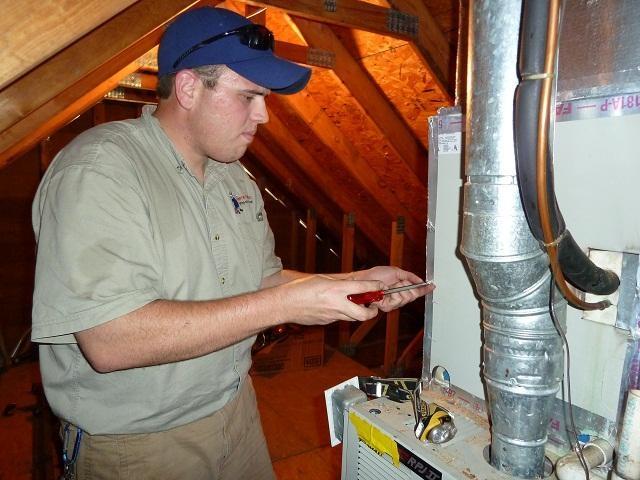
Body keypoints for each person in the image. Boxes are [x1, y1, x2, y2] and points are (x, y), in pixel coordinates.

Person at [31, 6, 431, 480]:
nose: (263, 115)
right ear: (188, 88)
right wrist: (287, 302)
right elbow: (110, 341)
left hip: (236, 413)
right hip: (138, 445)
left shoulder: (232, 178)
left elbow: (262, 279)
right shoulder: (101, 171)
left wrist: (351, 281)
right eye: (249, 96)